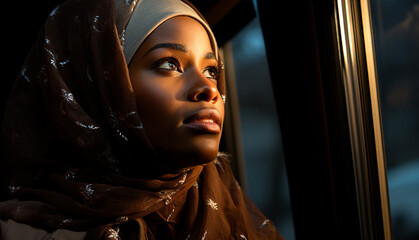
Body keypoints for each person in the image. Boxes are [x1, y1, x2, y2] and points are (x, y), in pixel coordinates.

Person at [0, 0, 285, 239]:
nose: (210, 90)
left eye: (211, 70)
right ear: (100, 87)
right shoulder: (19, 232)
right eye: (169, 65)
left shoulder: (230, 207)